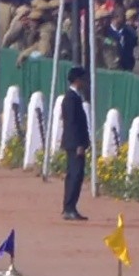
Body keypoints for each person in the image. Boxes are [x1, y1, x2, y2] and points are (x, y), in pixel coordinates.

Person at [57, 75, 91, 219]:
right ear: (77, 81)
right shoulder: (71, 99)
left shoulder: (73, 97)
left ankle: (70, 207)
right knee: (75, 176)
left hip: (74, 143)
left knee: (75, 175)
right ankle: (69, 208)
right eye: (83, 80)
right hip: (74, 143)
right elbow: (72, 124)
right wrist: (79, 144)